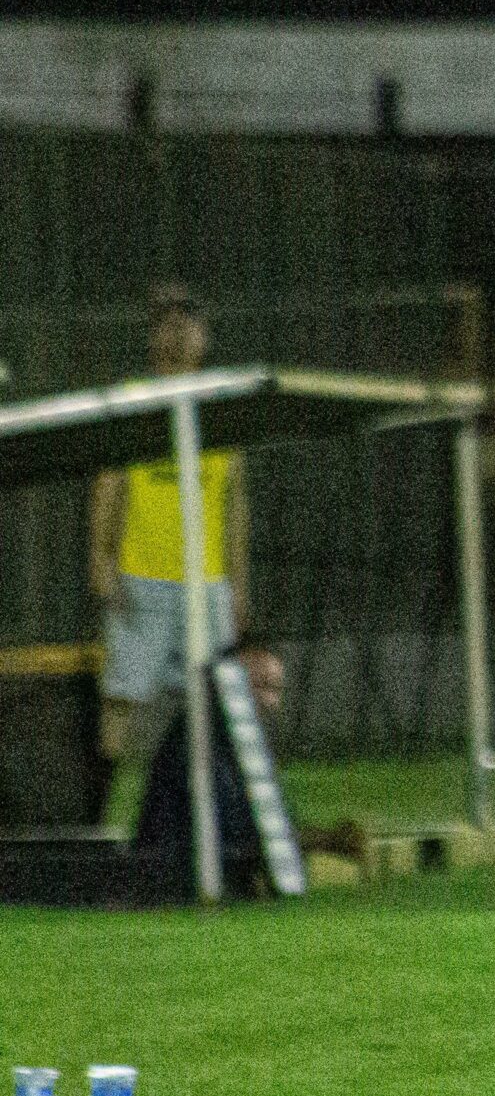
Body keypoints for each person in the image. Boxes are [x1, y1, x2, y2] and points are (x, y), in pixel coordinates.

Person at [89, 286, 249, 807]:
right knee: (121, 699)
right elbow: (110, 482)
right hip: (143, 577)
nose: (176, 334)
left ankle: (210, 810)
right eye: (165, 324)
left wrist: (238, 586)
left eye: (187, 323)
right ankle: (100, 816)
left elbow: (233, 503)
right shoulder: (134, 399)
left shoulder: (222, 405)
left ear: (203, 337)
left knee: (218, 704)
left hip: (207, 584)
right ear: (152, 338)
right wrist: (100, 556)